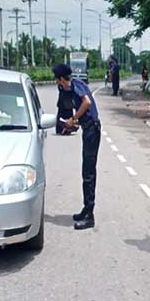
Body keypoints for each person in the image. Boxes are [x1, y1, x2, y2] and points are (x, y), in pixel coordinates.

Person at [53, 63, 101, 230]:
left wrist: (73, 119)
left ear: (61, 79)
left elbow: (86, 103)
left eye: (57, 80)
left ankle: (89, 215)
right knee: (86, 171)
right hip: (88, 128)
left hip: (92, 131)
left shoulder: (76, 85)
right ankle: (86, 209)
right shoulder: (74, 87)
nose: (57, 83)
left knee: (88, 172)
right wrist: (74, 122)